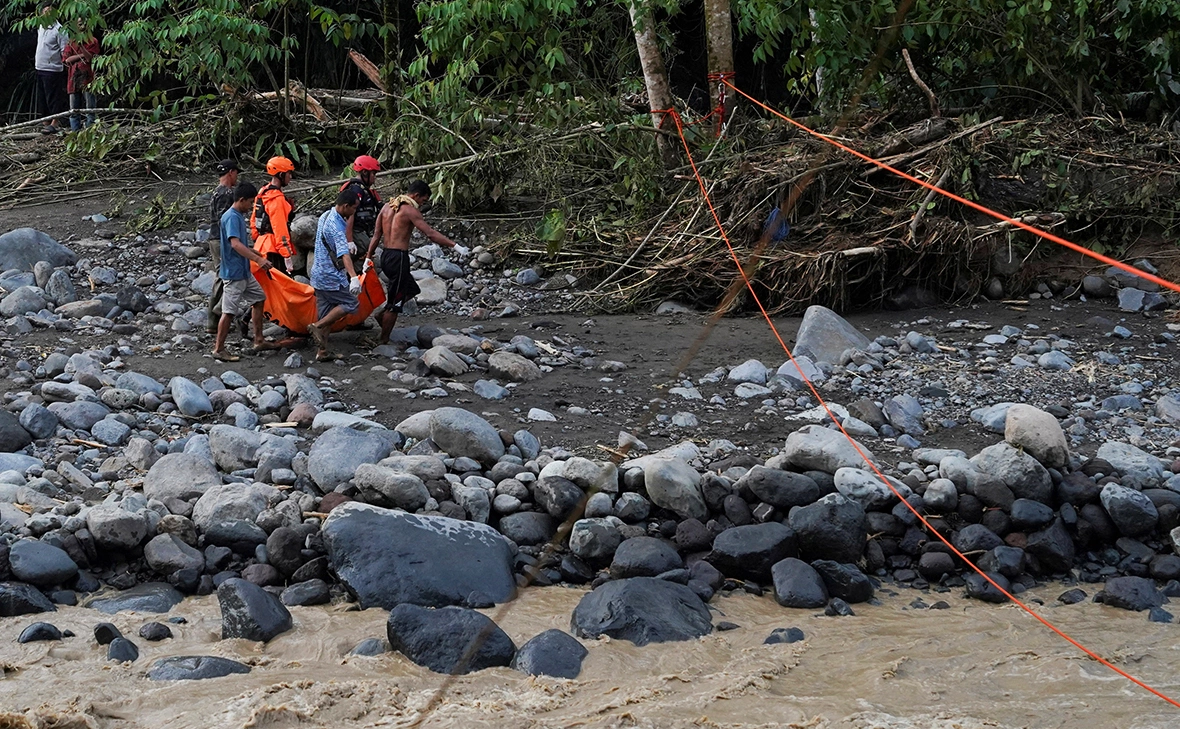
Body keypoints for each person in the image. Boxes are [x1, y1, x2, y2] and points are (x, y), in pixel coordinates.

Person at [365, 179, 469, 345]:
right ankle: (383, 340)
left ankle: (381, 314)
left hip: (386, 256)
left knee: (412, 289)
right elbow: (430, 234)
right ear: (416, 195)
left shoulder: (386, 207)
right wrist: (456, 246)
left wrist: (368, 257)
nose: (422, 204)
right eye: (423, 200)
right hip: (398, 258)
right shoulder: (409, 211)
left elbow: (376, 235)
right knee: (396, 302)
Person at [213, 182, 274, 362]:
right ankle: (219, 349)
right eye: (249, 202)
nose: (251, 206)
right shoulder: (231, 217)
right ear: (241, 200)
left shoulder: (237, 215)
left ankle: (259, 339)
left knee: (259, 298)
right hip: (234, 273)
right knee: (229, 311)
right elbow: (235, 244)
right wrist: (258, 259)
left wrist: (252, 252)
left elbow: (239, 243)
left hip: (243, 271)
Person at [307, 189, 362, 361]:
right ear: (346, 206)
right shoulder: (337, 227)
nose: (354, 212)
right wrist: (353, 277)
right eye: (354, 208)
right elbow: (343, 254)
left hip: (318, 273)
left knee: (326, 312)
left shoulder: (325, 216)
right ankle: (317, 326)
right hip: (331, 276)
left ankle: (322, 351)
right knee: (351, 303)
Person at [206, 159, 240, 332]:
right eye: (236, 173)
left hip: (214, 238)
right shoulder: (226, 193)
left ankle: (214, 319)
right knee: (223, 276)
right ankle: (215, 316)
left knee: (220, 275)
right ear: (230, 173)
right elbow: (224, 220)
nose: (237, 177)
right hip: (220, 239)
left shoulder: (216, 192)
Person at [251, 156, 296, 275]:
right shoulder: (277, 199)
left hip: (260, 245)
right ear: (281, 174)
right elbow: (280, 228)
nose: (290, 177)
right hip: (273, 249)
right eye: (288, 173)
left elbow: (254, 219)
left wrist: (256, 238)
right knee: (280, 285)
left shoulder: (262, 192)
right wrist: (287, 255)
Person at [34, 3, 68, 134]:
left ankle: (55, 122)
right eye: (45, 12)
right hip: (40, 67)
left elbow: (65, 50)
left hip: (53, 69)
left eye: (50, 12)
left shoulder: (59, 30)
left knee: (53, 97)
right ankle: (45, 122)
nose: (47, 14)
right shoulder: (41, 27)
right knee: (42, 97)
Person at [61, 22, 100, 132]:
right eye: (78, 23)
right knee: (74, 109)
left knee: (90, 107)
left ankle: (90, 131)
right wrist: (81, 56)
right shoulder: (71, 42)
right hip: (73, 78)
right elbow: (66, 60)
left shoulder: (93, 41)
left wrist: (81, 47)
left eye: (83, 23)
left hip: (88, 78)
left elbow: (90, 58)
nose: (81, 25)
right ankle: (75, 132)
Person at [340, 155, 382, 252]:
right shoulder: (356, 189)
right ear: (364, 172)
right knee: (366, 249)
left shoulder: (363, 189)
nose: (375, 177)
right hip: (356, 231)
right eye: (373, 174)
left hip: (363, 230)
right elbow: (349, 215)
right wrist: (349, 240)